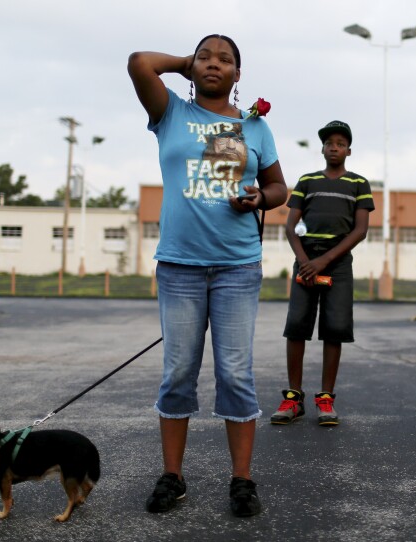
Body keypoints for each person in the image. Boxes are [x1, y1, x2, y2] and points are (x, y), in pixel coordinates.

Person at [127, 34, 288, 517]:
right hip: (179, 267)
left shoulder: (255, 128)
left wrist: (261, 198)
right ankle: (172, 478)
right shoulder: (170, 113)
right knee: (178, 373)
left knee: (235, 374)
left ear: (239, 76)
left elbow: (279, 186)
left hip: (237, 266)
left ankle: (242, 481)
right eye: (205, 57)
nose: (213, 64)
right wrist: (185, 66)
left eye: (225, 60)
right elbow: (138, 63)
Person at [270, 120, 374, 427]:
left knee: (335, 329)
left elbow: (360, 230)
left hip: (338, 265)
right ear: (323, 148)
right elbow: (291, 227)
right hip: (306, 261)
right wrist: (305, 261)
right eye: (330, 143)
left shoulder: (358, 184)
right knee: (297, 327)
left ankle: (326, 398)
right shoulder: (307, 181)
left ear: (349, 150)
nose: (334, 147)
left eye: (341, 143)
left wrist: (325, 260)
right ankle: (293, 399)